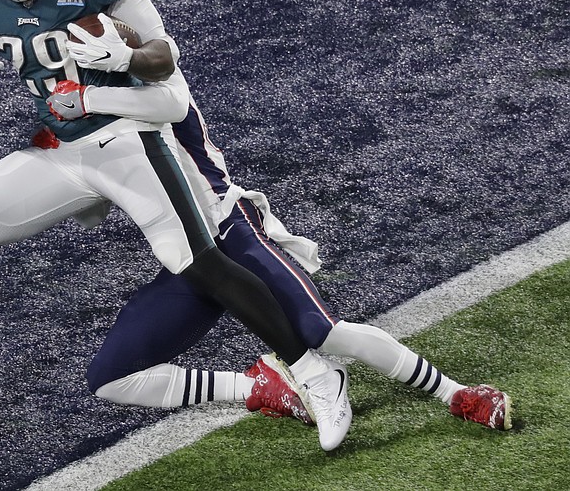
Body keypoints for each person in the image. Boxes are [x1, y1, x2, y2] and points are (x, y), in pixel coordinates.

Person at [0, 0, 352, 451]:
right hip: (62, 148)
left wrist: (125, 57)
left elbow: (164, 57)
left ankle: (313, 372)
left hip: (127, 136)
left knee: (195, 260)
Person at [45, 52, 514, 435]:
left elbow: (168, 98)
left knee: (323, 332)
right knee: (111, 378)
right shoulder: (90, 119)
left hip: (230, 227)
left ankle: (457, 394)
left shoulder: (153, 88)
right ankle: (261, 388)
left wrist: (91, 96)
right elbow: (92, 209)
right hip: (188, 257)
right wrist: (69, 164)